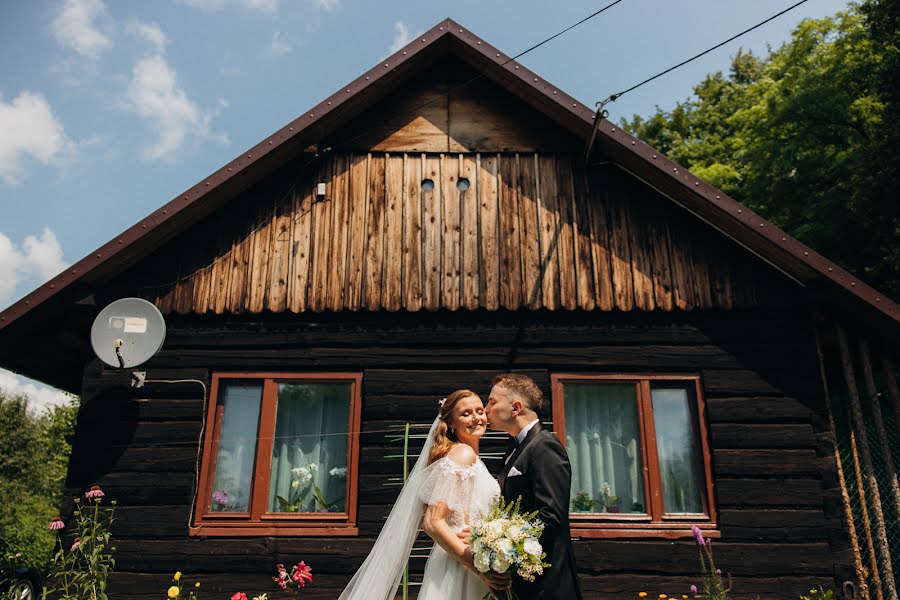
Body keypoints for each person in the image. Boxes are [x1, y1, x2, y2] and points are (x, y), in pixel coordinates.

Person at [338, 389, 509, 600]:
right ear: (452, 423)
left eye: (479, 411)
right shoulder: (462, 454)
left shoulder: (470, 457)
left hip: (473, 561)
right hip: (460, 566)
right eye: (466, 413)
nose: (476, 418)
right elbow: (433, 522)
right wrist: (477, 566)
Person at [484, 374, 583, 600]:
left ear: (516, 407)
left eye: (492, 401)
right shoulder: (513, 449)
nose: (485, 408)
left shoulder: (545, 446)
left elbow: (551, 517)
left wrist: (505, 547)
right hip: (523, 584)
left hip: (547, 586)